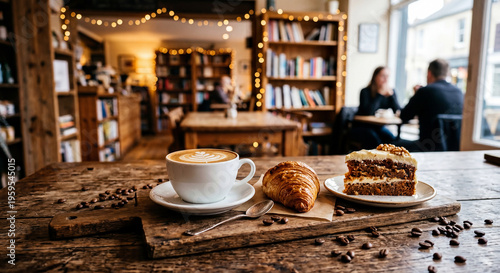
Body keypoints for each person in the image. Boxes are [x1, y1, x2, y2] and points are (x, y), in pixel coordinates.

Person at [397, 59, 464, 151]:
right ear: (447, 73)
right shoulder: (459, 92)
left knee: (389, 145)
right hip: (454, 150)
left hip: (427, 147)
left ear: (429, 73)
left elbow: (404, 116)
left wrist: (416, 95)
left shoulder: (425, 91)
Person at [351, 66, 401, 148]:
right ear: (375, 77)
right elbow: (368, 112)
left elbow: (398, 111)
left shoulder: (390, 92)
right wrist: (379, 94)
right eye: (383, 76)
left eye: (388, 76)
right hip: (362, 126)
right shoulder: (365, 91)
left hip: (377, 127)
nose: (386, 79)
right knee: (375, 140)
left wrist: (392, 96)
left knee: (392, 139)